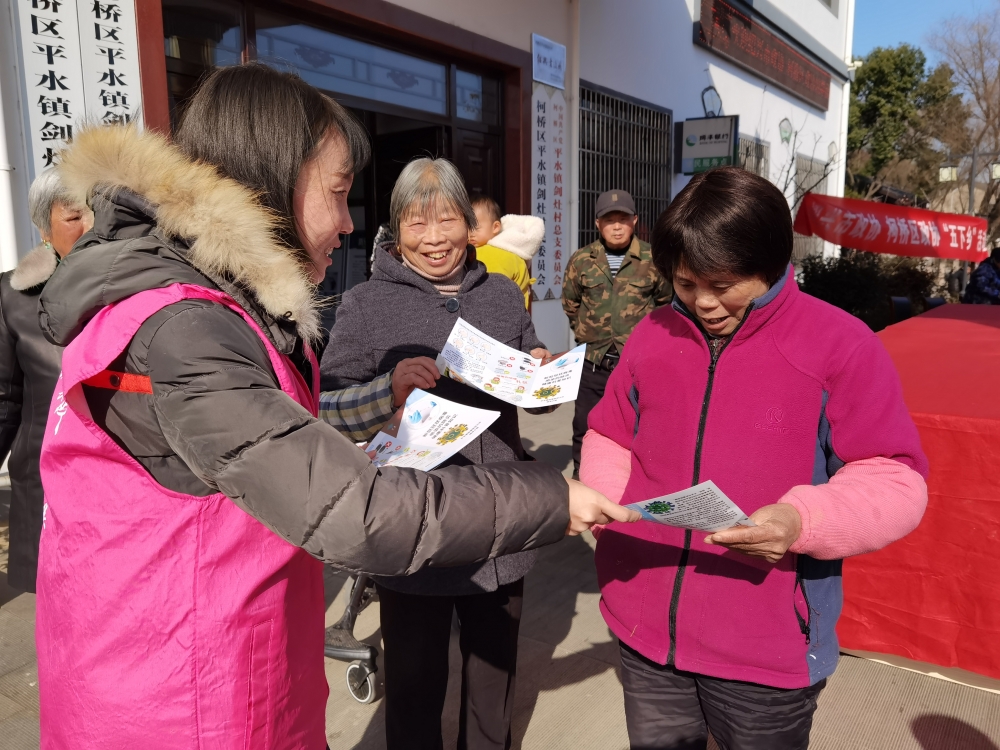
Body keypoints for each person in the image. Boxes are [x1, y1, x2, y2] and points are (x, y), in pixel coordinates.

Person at [33, 63, 634, 748]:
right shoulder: (184, 330)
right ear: (270, 179)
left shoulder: (223, 309)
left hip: (223, 660)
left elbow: (296, 425)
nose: (350, 222)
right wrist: (550, 496)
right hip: (182, 698)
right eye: (341, 192)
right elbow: (357, 510)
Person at [580, 167, 929, 750]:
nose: (704, 303)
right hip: (642, 624)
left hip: (765, 650)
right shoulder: (652, 333)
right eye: (687, 284)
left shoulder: (840, 345)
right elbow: (611, 434)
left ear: (769, 263)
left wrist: (800, 521)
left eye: (723, 284)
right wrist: (607, 503)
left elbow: (895, 479)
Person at [319, 157, 554, 750]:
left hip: (502, 517)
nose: (435, 239)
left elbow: (538, 401)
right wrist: (386, 390)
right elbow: (325, 402)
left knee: (492, 680)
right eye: (417, 225)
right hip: (412, 521)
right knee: (415, 681)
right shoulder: (365, 303)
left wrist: (545, 376)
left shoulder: (502, 293)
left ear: (470, 224)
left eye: (447, 220)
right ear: (395, 230)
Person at [0, 168, 92, 593]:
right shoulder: (13, 298)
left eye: (98, 211)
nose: (90, 225)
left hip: (128, 484)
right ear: (43, 228)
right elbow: (5, 397)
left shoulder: (143, 289)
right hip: (46, 484)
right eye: (74, 215)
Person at [562, 189, 670, 478]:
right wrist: (588, 334)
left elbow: (664, 303)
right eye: (609, 220)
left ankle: (633, 480)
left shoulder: (652, 259)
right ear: (598, 224)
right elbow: (571, 303)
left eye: (623, 218)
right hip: (593, 362)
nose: (617, 226)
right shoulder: (582, 260)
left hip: (637, 364)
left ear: (635, 220)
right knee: (583, 425)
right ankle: (582, 479)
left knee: (640, 425)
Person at [468, 194, 540, 308]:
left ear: (495, 227)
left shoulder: (497, 255)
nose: (470, 233)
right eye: (467, 227)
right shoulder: (513, 254)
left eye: (475, 227)